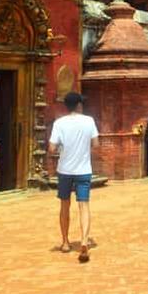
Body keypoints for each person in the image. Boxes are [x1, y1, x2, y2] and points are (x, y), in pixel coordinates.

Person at [48, 92, 99, 263]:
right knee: (83, 205)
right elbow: (96, 144)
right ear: (79, 105)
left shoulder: (59, 123)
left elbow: (52, 149)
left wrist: (63, 147)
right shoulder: (89, 121)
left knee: (65, 205)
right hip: (84, 170)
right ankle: (84, 241)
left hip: (65, 170)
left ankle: (65, 242)